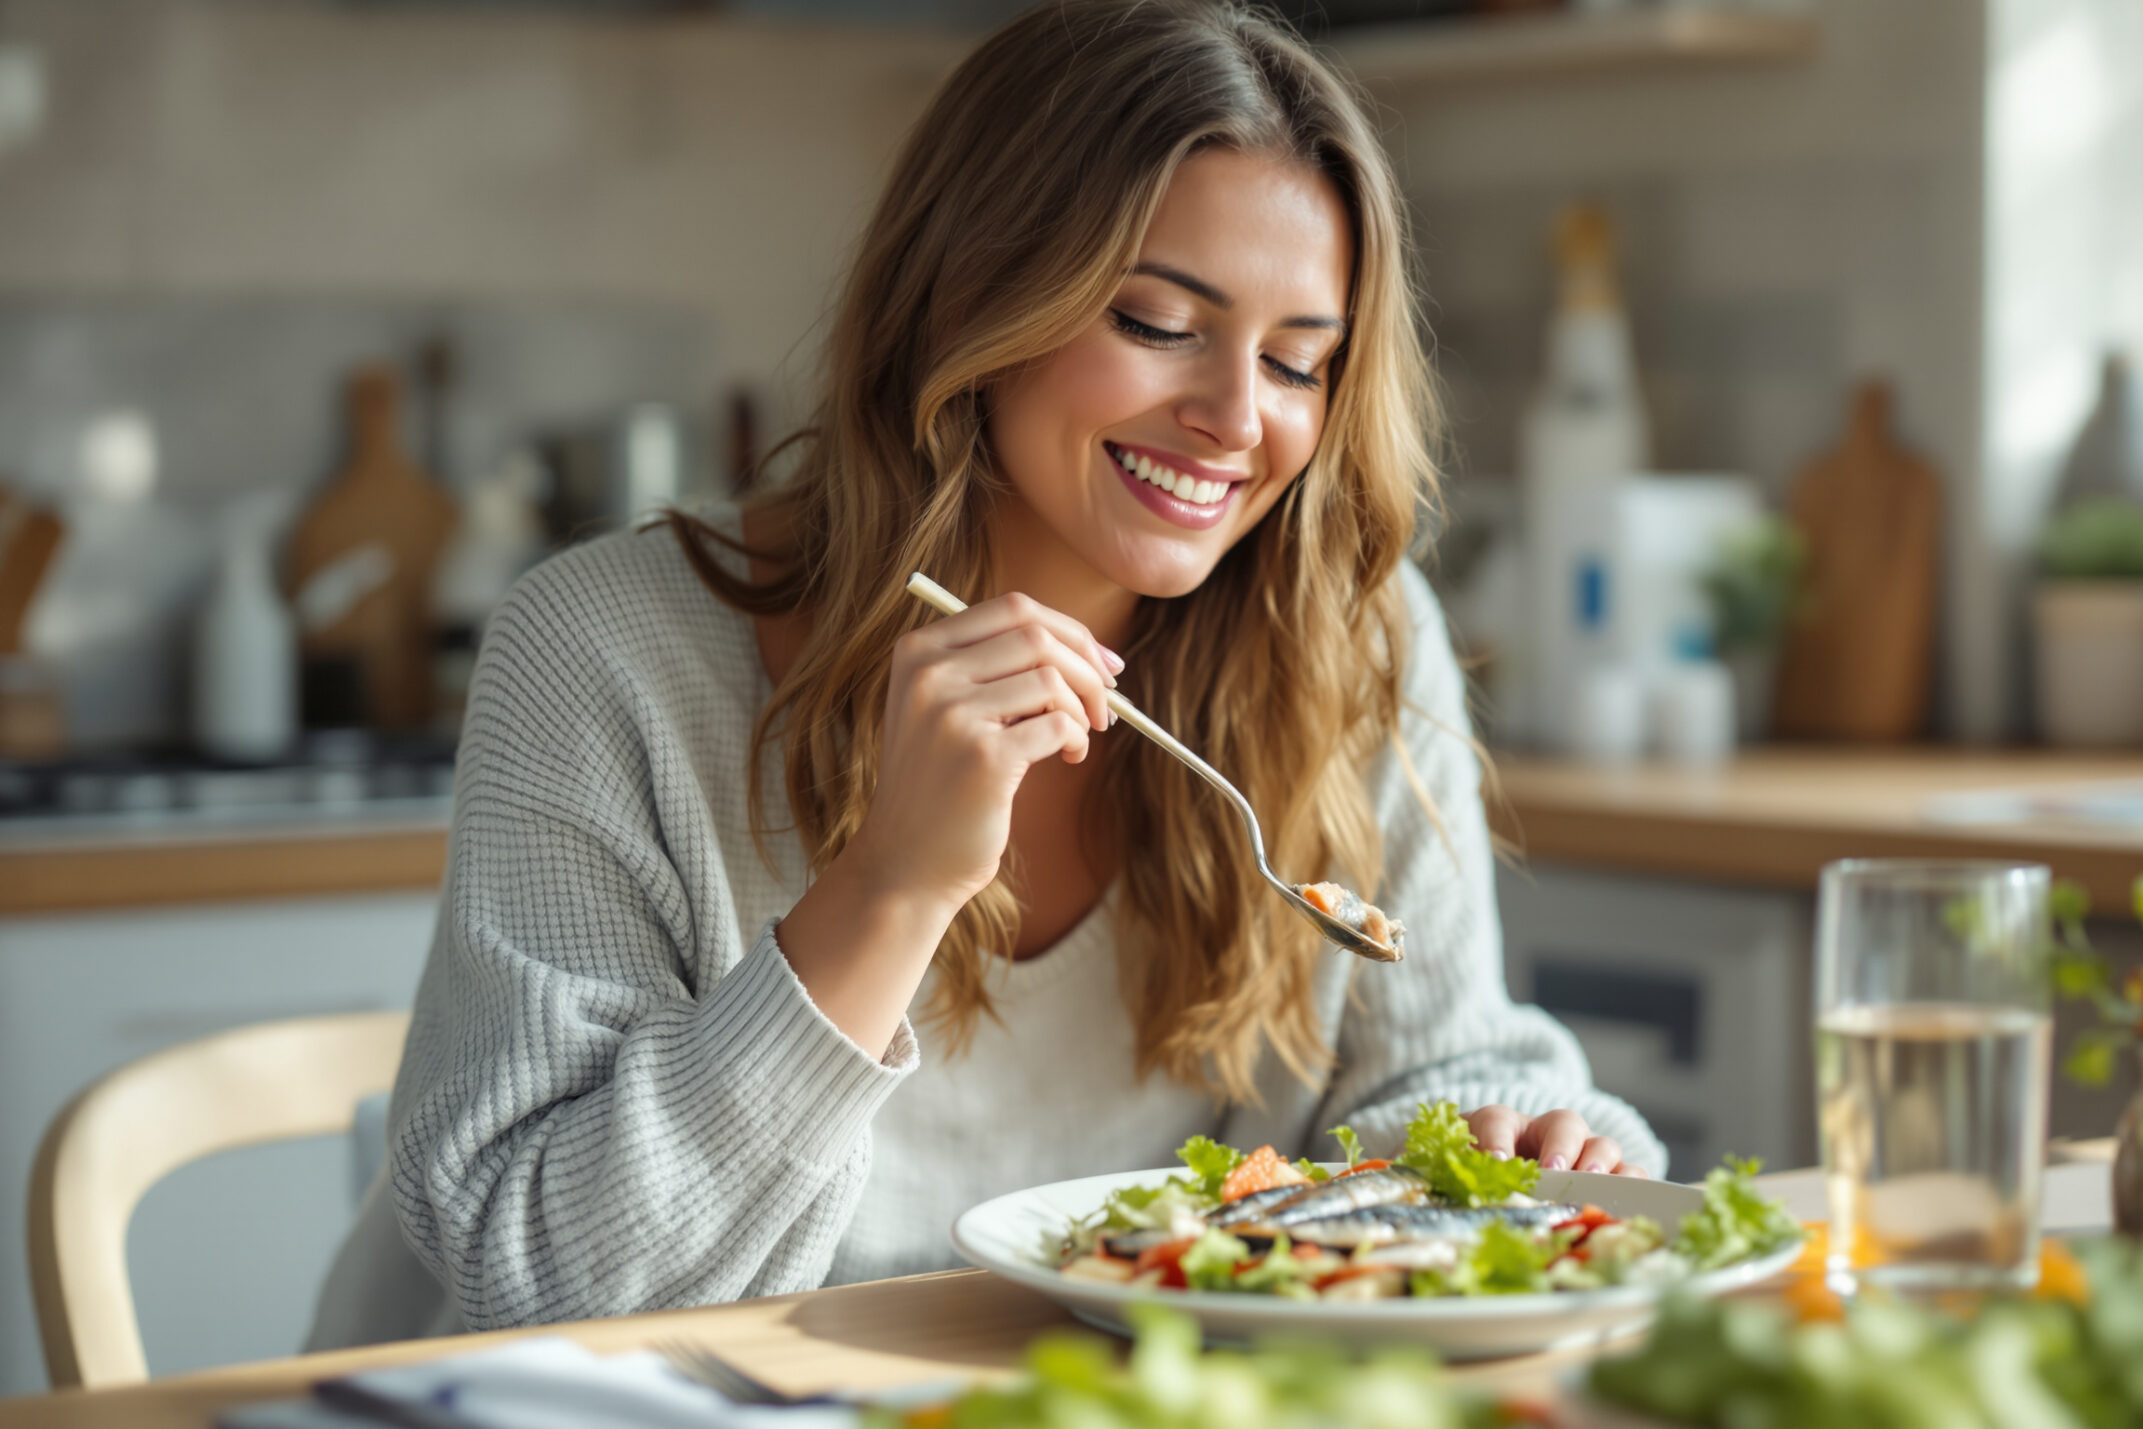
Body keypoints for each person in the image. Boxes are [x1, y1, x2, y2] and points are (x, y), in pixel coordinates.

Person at [311, 0, 1661, 1344]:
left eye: (1300, 361)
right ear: (976, 293)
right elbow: (544, 1277)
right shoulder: (601, 655)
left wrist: (1522, 1134)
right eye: (1156, 321)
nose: (1239, 418)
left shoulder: (1349, 638)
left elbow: (1426, 1073)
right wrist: (891, 885)